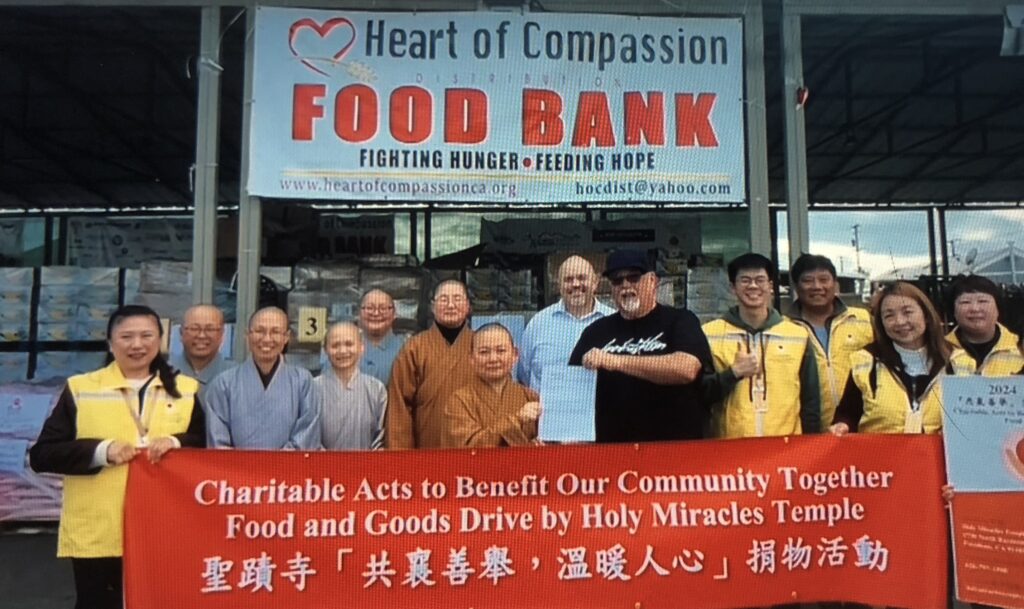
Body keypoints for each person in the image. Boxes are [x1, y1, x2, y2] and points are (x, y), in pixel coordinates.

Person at [29, 305, 205, 609]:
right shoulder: (82, 388)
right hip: (99, 528)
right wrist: (101, 451)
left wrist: (177, 442)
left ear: (160, 341)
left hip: (162, 527)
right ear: (111, 344)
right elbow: (43, 455)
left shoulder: (186, 390)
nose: (137, 344)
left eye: (146, 336)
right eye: (127, 337)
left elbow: (203, 448)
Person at [569, 249, 712, 443]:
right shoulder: (595, 332)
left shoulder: (680, 320)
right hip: (614, 454)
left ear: (653, 281)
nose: (626, 286)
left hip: (674, 453)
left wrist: (615, 361)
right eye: (617, 281)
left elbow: (686, 368)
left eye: (634, 277)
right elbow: (571, 390)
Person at [831, 281, 975, 435]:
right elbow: (848, 414)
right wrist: (842, 425)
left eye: (907, 312)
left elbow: (972, 422)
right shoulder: (865, 362)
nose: (899, 322)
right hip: (880, 457)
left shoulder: (960, 363)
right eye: (889, 315)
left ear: (926, 315)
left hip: (936, 457)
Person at [702, 253, 821, 438]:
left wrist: (812, 445)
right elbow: (700, 394)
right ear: (733, 287)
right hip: (729, 448)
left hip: (786, 447)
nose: (753, 286)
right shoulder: (710, 334)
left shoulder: (797, 334)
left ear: (771, 286)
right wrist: (733, 373)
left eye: (760, 280)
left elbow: (811, 400)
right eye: (745, 280)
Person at [205, 306, 321, 449]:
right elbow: (217, 441)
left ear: (286, 337)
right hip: (236, 469)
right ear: (247, 335)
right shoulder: (223, 383)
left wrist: (275, 466)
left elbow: (307, 434)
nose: (267, 339)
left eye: (275, 332)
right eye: (259, 331)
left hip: (288, 468)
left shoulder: (302, 381)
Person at [386, 279, 477, 449]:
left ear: (467, 306)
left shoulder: (481, 346)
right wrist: (401, 456)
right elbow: (399, 405)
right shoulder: (415, 347)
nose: (451, 305)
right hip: (427, 447)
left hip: (474, 449)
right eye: (443, 299)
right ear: (433, 307)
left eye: (457, 299)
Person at [787, 254, 873, 429]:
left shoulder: (863, 319)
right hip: (810, 430)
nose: (817, 286)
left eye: (824, 279)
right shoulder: (784, 329)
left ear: (836, 285)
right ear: (796, 287)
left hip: (862, 426)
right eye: (808, 281)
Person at [517, 255, 614, 392]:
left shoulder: (613, 321)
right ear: (559, 286)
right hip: (548, 412)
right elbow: (523, 376)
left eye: (582, 278)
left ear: (595, 282)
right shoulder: (538, 323)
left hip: (601, 412)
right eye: (568, 279)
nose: (575, 284)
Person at [443, 323, 541, 447]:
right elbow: (469, 447)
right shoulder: (459, 401)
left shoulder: (531, 398)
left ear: (515, 355)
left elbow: (547, 442)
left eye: (501, 351)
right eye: (484, 352)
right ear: (471, 358)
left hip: (523, 466)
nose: (493, 359)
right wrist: (517, 420)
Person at [314, 321, 387, 450]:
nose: (342, 351)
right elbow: (309, 436)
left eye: (349, 344)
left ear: (361, 348)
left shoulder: (376, 389)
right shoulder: (313, 388)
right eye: (335, 345)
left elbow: (381, 437)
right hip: (323, 467)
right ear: (325, 350)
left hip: (367, 466)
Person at [946, 275, 1024, 376]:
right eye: (965, 302)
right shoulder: (940, 349)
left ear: (998, 308)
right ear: (954, 312)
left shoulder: (1019, 347)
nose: (975, 308)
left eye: (983, 301)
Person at [169, 304, 235, 400]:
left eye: (210, 329)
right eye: (194, 328)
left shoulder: (237, 377)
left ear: (222, 335)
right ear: (181, 332)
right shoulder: (162, 374)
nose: (202, 335)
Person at [357, 289, 407, 385]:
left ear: (394, 314)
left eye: (383, 308)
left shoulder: (406, 351)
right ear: (359, 313)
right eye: (370, 308)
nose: (376, 313)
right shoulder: (344, 348)